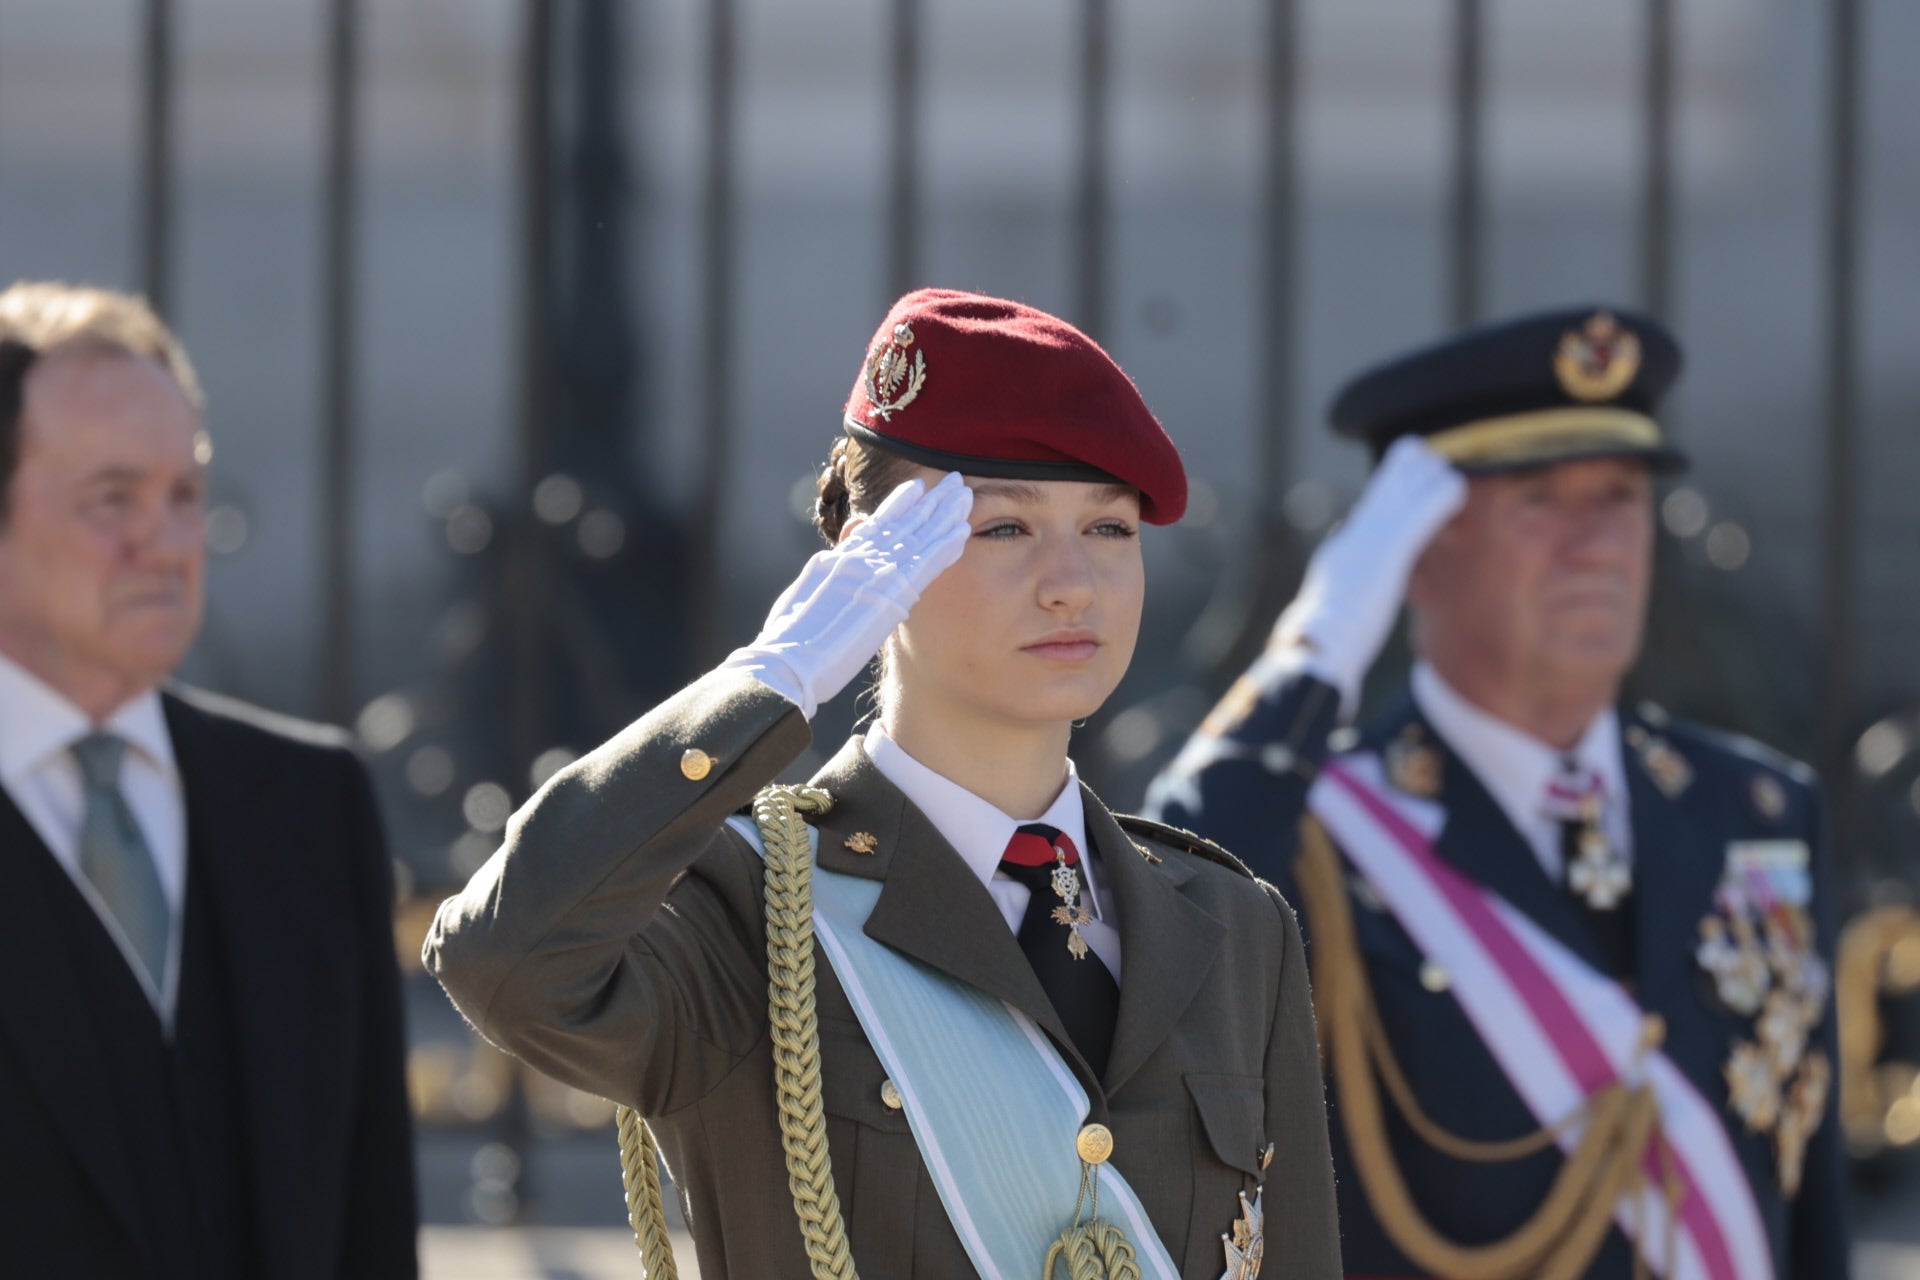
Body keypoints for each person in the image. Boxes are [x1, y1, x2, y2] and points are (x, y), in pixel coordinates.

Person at [427, 287, 1341, 1279]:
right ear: (874, 563)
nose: (1072, 580)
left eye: (1110, 528)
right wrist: (768, 683)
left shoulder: (1232, 924)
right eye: (1003, 530)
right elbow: (503, 962)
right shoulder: (749, 904)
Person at [1146, 305, 1849, 1279]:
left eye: (1621, 495)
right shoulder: (1314, 830)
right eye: (1540, 499)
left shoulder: (1755, 811)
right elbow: (1167, 912)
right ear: (1420, 549)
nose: (1598, 540)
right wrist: (1316, 651)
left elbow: (1810, 1200)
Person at [0, 282, 418, 1279]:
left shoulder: (310, 802)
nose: (169, 540)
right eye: (113, 498)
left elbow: (370, 1218)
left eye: (185, 493)